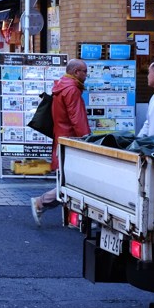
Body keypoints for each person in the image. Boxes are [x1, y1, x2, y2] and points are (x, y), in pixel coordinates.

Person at [31, 58, 91, 225]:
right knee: (71, 182)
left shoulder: (62, 86)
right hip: (71, 141)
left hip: (62, 138)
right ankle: (41, 202)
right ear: (76, 72)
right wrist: (87, 140)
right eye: (84, 71)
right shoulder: (72, 89)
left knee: (68, 180)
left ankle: (72, 217)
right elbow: (77, 118)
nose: (86, 75)